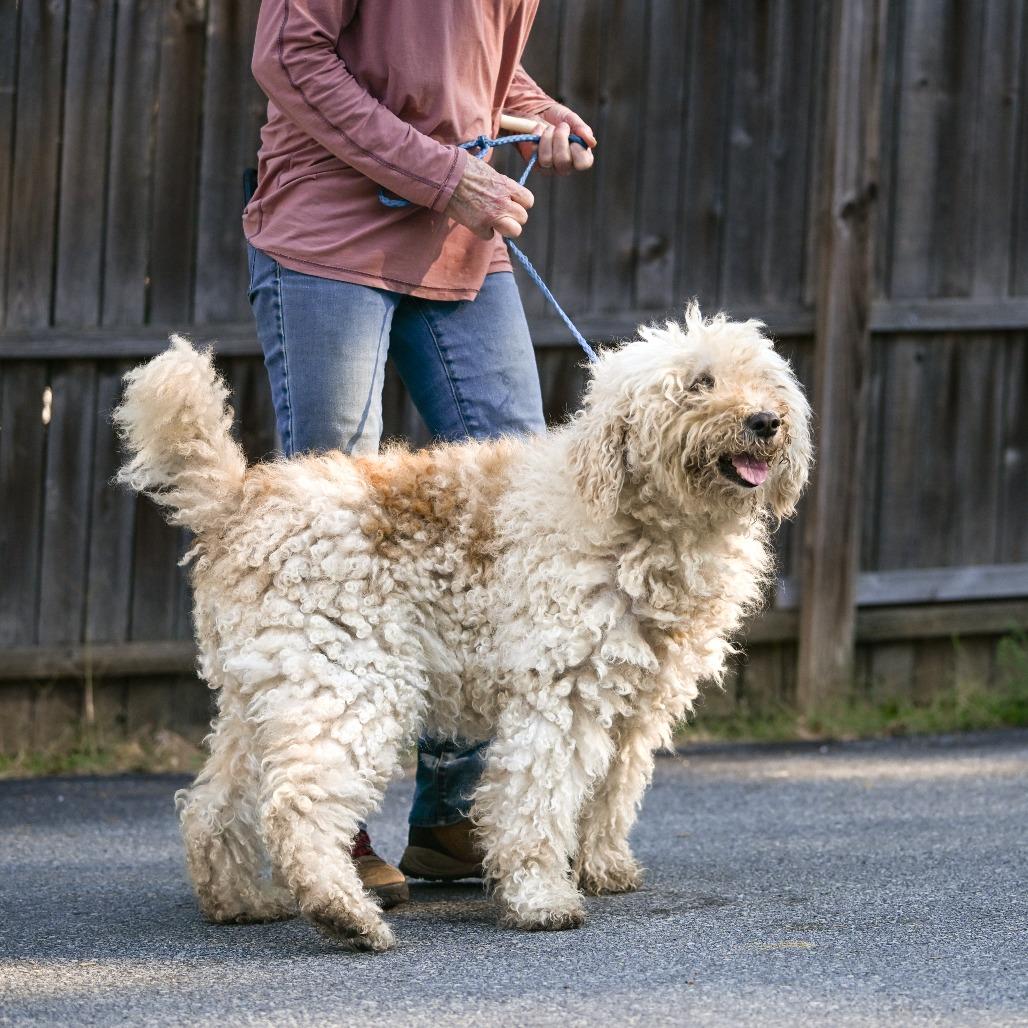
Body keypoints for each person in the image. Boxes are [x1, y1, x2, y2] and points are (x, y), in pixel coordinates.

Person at [245, 0, 596, 907]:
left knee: (515, 518)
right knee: (332, 545)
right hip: (330, 233)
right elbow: (290, 56)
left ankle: (453, 819)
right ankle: (331, 829)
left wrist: (540, 113)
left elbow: (475, 71)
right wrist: (443, 173)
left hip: (461, 244)